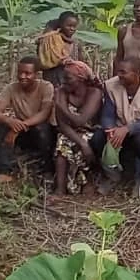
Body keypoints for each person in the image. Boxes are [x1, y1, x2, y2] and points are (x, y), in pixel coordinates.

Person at [94, 56, 140, 194]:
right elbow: (107, 114)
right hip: (117, 127)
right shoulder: (111, 85)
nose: (119, 75)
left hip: (139, 129)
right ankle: (110, 175)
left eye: (123, 72)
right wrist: (110, 129)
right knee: (97, 138)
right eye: (118, 71)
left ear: (137, 73)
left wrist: (129, 128)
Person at [0, 56, 54, 183]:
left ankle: (48, 170)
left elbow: (44, 113)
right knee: (1, 126)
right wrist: (8, 121)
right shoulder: (11, 88)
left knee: (42, 128)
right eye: (20, 72)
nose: (22, 76)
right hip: (23, 133)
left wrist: (18, 127)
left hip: (41, 133)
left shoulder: (46, 87)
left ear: (37, 74)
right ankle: (4, 171)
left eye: (28, 73)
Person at [51, 60, 104, 199]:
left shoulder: (94, 93)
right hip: (69, 131)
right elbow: (62, 125)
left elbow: (81, 120)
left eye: (68, 78)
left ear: (81, 79)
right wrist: (81, 143)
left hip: (92, 130)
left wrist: (61, 107)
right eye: (63, 78)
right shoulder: (62, 91)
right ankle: (60, 189)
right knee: (62, 142)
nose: (64, 81)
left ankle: (87, 182)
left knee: (84, 140)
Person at [37, 11, 82, 89]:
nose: (72, 29)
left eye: (74, 26)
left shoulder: (75, 43)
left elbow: (80, 61)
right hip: (53, 76)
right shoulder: (50, 39)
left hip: (71, 79)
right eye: (69, 25)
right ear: (61, 24)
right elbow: (47, 59)